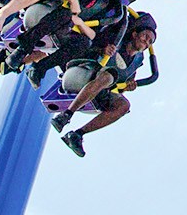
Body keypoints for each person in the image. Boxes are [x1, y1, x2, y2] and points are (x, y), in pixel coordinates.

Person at [51, 11, 158, 157]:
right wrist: (102, 49)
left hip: (103, 87)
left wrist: (128, 86)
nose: (147, 41)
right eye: (145, 36)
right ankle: (66, 115)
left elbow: (122, 84)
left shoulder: (137, 61)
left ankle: (77, 135)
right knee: (109, 76)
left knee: (124, 105)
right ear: (134, 34)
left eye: (150, 41)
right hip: (84, 71)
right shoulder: (117, 36)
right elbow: (88, 45)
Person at [4, 0, 127, 82]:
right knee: (65, 14)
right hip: (53, 7)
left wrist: (79, 22)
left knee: (83, 43)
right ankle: (22, 50)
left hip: (68, 25)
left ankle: (39, 68)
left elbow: (92, 35)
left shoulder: (103, 2)